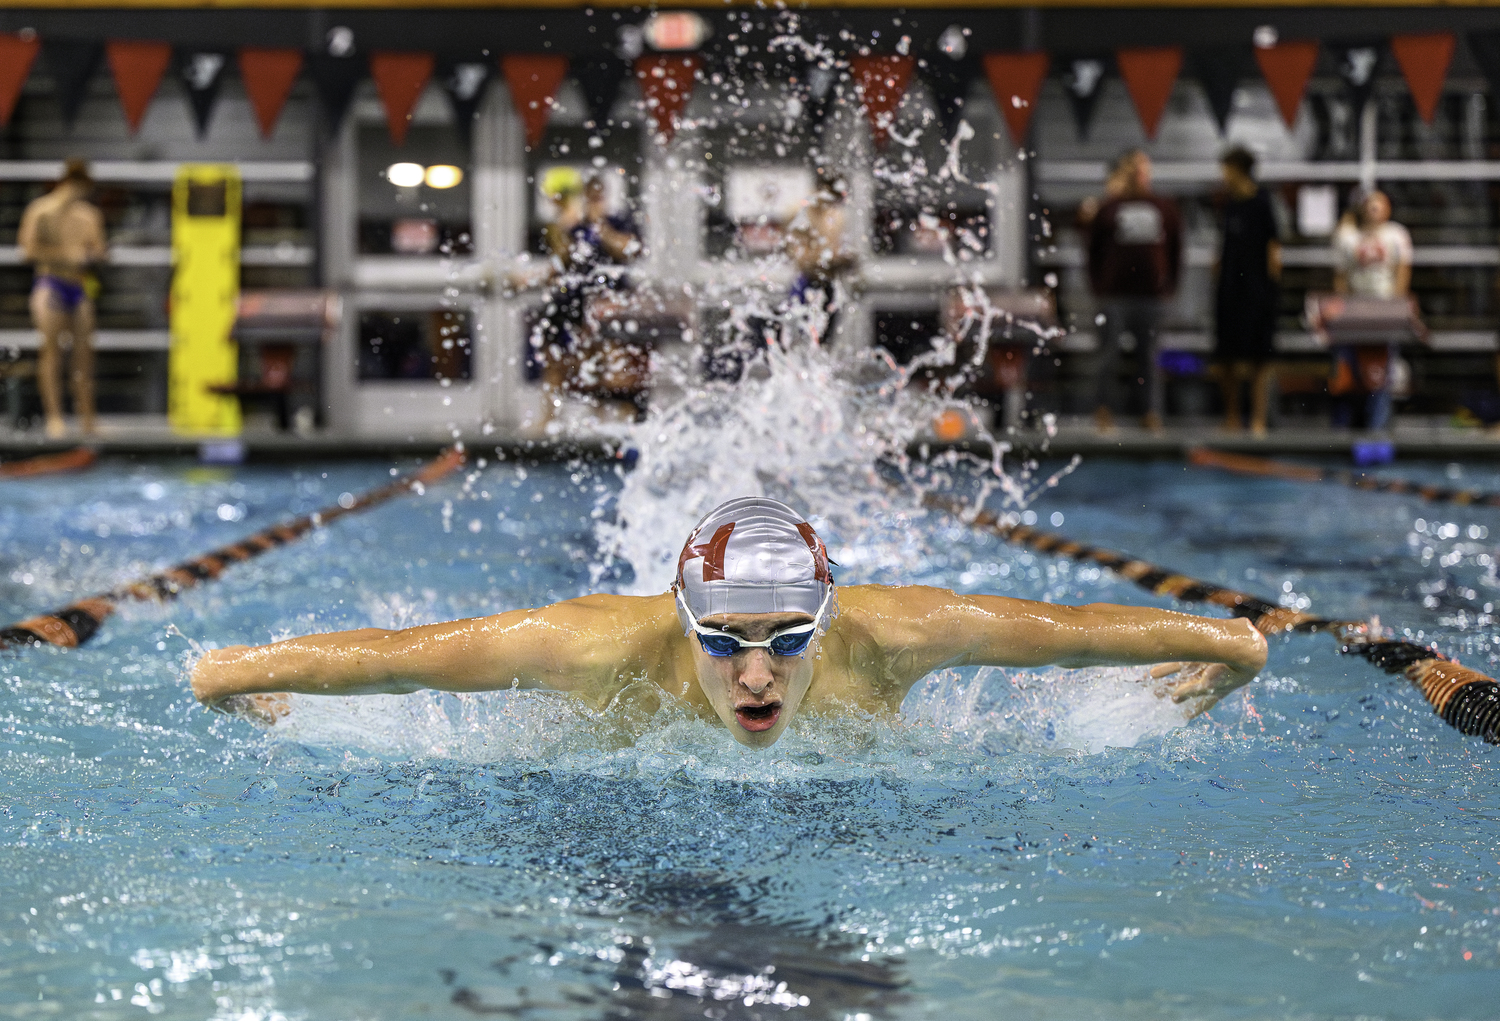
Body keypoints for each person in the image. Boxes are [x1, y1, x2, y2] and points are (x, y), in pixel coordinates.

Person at [191, 497, 1269, 749]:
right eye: (726, 641)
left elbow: (1074, 626)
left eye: (785, 641)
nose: (757, 673)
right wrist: (236, 672)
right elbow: (403, 662)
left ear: (825, 619)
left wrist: (1233, 647)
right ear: (684, 618)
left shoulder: (895, 633)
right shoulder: (602, 647)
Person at [1086, 150, 1182, 434]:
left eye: (1143, 169)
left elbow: (1176, 249)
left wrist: (1171, 285)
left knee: (1148, 359)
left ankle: (1149, 412)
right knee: (1108, 356)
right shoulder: (1109, 208)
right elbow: (1092, 250)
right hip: (1114, 294)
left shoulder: (1164, 208)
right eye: (1133, 168)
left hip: (1150, 295)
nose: (1139, 174)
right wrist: (1098, 286)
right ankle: (1103, 411)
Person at [17, 159, 107, 438]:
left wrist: (86, 256)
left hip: (77, 285)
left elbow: (100, 250)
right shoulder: (40, 211)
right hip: (50, 284)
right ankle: (54, 418)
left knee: (83, 357)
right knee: (51, 353)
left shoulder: (89, 215)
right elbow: (28, 251)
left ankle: (87, 419)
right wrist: (64, 255)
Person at [1213, 146, 1282, 438]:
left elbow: (1273, 248)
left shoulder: (1261, 202)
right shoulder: (1230, 205)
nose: (1223, 176)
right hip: (1230, 289)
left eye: (1226, 169)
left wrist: (1270, 290)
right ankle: (1232, 417)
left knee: (1259, 359)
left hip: (1256, 290)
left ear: (1238, 170)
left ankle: (1257, 419)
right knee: (1226, 358)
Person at [1330, 189, 1412, 432]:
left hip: (1384, 309)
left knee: (1381, 371)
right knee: (1347, 368)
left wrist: (1394, 306)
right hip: (1355, 310)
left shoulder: (1396, 235)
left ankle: (1377, 426)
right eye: (1370, 204)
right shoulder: (1349, 238)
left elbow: (1402, 271)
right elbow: (1341, 275)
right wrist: (1345, 309)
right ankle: (1342, 427)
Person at [782, 169, 857, 347]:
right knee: (799, 336)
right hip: (808, 279)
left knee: (816, 340)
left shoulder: (833, 215)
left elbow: (831, 253)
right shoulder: (806, 210)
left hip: (821, 281)